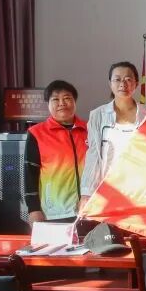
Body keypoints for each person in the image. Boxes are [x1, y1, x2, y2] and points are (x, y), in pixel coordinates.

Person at [79, 61, 146, 208]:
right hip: (108, 190)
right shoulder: (98, 115)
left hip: (141, 190)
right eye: (117, 79)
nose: (123, 84)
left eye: (128, 79)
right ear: (110, 83)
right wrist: (86, 193)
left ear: (136, 83)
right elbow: (93, 155)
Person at [24, 80, 88, 224]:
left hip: (89, 210)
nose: (62, 103)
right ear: (48, 104)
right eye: (55, 99)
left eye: (67, 98)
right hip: (54, 212)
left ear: (75, 101)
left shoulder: (90, 129)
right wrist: (33, 209)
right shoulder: (36, 133)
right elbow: (30, 174)